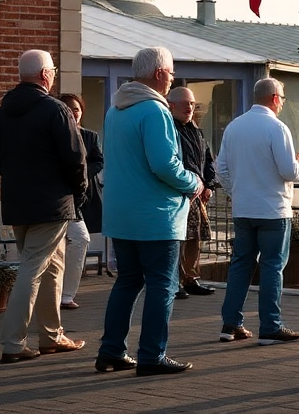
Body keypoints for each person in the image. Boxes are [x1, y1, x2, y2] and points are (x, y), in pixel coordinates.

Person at [97, 47, 202, 376]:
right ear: (158, 73)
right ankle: (152, 355)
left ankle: (111, 350)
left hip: (120, 212)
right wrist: (193, 183)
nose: (172, 79)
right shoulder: (155, 111)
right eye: (171, 73)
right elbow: (163, 164)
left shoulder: (116, 109)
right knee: (162, 284)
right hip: (157, 215)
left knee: (127, 281)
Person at [0, 50, 87, 363]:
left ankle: (51, 336)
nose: (54, 74)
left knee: (52, 267)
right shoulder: (55, 110)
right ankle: (13, 344)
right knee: (32, 268)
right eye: (52, 70)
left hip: (18, 202)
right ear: (45, 75)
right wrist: (78, 191)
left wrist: (19, 179)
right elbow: (75, 158)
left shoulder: (3, 113)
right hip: (52, 204)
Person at [217, 77, 299, 346]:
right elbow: (288, 170)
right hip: (273, 209)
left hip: (243, 208)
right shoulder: (277, 128)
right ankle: (270, 326)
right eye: (282, 98)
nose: (283, 103)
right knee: (272, 266)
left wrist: (235, 190)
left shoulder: (234, 127)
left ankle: (230, 324)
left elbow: (221, 169)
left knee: (240, 265)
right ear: (274, 98)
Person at [167, 87, 217, 300]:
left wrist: (209, 185)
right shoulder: (169, 128)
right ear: (172, 105)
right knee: (178, 238)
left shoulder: (196, 130)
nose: (190, 108)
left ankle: (191, 278)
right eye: (186, 103)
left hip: (197, 195)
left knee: (195, 237)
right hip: (177, 193)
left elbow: (207, 159)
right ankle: (174, 281)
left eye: (193, 104)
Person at [57, 93, 103, 310]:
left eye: (76, 109)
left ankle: (67, 295)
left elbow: (98, 160)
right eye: (68, 109)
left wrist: (84, 174)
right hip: (57, 198)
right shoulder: (53, 135)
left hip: (80, 199)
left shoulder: (89, 136)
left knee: (80, 239)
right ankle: (55, 294)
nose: (73, 113)